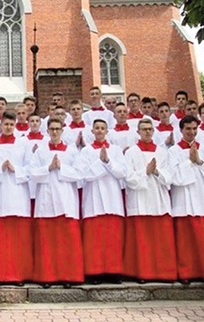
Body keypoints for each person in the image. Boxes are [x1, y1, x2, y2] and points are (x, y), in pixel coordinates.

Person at [168, 115, 204, 283]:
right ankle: (187, 274)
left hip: (203, 197)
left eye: (194, 129)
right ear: (181, 130)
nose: (191, 132)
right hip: (184, 200)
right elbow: (174, 177)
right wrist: (189, 162)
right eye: (188, 129)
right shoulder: (174, 151)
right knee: (186, 242)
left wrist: (199, 161)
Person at [29, 117, 83, 287]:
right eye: (51, 129)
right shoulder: (40, 151)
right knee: (47, 242)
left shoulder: (72, 151)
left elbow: (79, 174)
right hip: (46, 201)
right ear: (47, 131)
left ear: (62, 131)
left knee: (66, 242)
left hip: (66, 200)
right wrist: (48, 168)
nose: (54, 132)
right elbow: (32, 173)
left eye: (57, 129)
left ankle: (68, 277)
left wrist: (61, 168)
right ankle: (47, 277)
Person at [123, 119, 177, 282]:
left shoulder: (162, 152)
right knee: (142, 240)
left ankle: (165, 272)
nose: (147, 132)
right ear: (138, 132)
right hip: (140, 199)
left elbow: (170, 175)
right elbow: (128, 177)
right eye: (144, 129)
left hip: (158, 198)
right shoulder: (131, 152)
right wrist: (145, 172)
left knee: (161, 239)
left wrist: (157, 172)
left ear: (153, 131)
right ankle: (143, 273)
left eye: (149, 129)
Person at [77, 119, 127, 284]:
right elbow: (84, 175)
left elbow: (122, 173)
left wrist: (108, 162)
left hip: (113, 198)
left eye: (102, 128)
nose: (99, 131)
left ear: (107, 131)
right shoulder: (86, 151)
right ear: (92, 131)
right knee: (95, 238)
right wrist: (102, 164)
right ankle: (94, 272)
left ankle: (114, 272)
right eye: (96, 128)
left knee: (113, 237)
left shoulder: (116, 150)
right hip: (94, 198)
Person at [0, 112, 32, 284]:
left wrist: (15, 169)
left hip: (17, 194)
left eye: (11, 125)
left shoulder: (22, 144)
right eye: (5, 124)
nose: (8, 127)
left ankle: (19, 274)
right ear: (0, 125)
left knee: (17, 237)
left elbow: (30, 169)